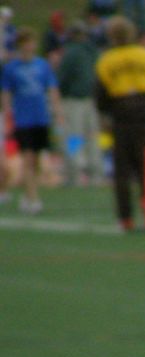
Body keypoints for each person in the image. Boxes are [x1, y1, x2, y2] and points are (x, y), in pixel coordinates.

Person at [94, 15, 145, 231]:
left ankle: (126, 218)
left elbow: (100, 97)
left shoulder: (106, 59)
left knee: (122, 172)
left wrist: (107, 114)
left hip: (121, 118)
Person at [1, 26, 64, 215]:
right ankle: (33, 199)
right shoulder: (11, 68)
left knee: (36, 161)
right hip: (23, 119)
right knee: (27, 158)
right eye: (27, 42)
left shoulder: (42, 65)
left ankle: (28, 194)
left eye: (32, 42)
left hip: (41, 117)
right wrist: (7, 115)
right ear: (21, 45)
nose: (31, 46)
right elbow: (6, 93)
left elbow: (52, 89)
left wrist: (58, 112)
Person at [57, 19, 103, 187]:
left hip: (74, 100)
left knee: (74, 137)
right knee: (92, 137)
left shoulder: (70, 52)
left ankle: (74, 174)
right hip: (92, 100)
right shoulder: (93, 51)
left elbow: (62, 78)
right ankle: (96, 174)